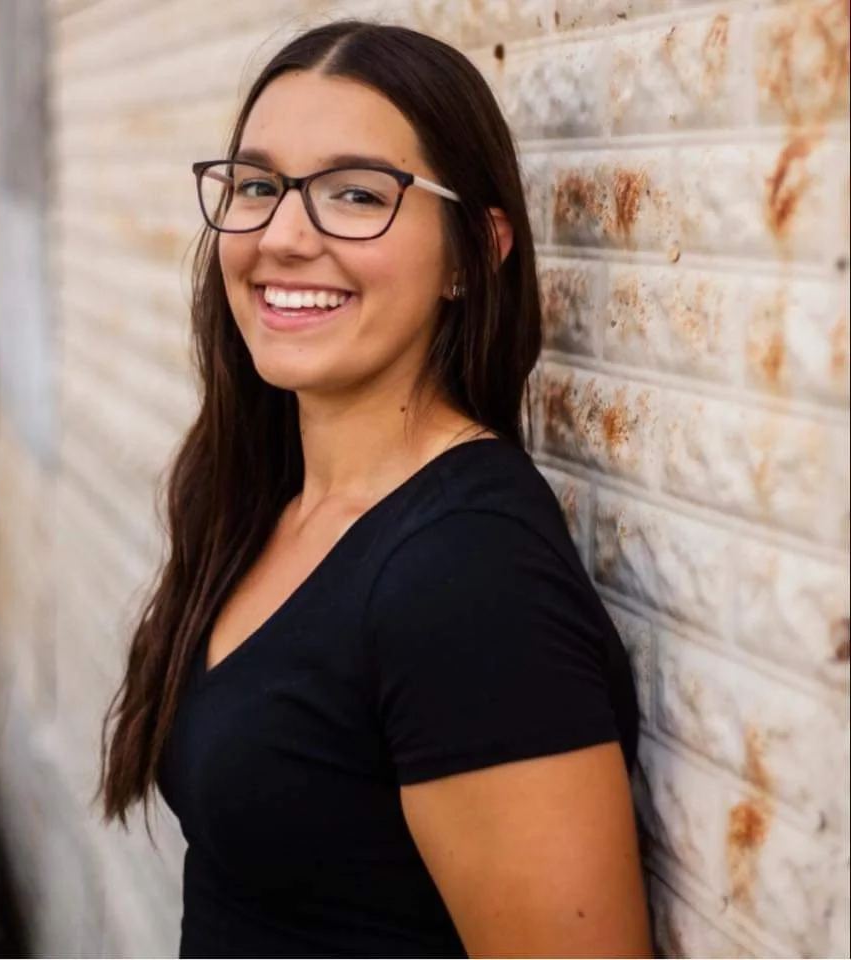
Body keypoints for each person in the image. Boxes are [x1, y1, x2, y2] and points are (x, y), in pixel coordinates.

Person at [100, 19, 651, 958]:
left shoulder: (469, 579)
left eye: (356, 195)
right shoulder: (266, 498)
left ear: (474, 253)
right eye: (259, 186)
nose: (282, 235)